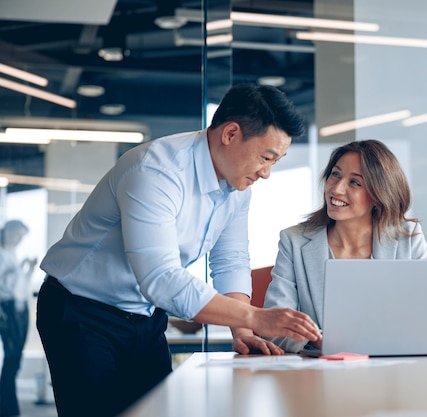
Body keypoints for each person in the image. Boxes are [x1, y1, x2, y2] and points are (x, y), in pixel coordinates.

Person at [36, 83, 322, 417]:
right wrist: (256, 317)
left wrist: (242, 331)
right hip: (82, 311)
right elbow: (161, 278)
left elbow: (230, 259)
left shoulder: (237, 184)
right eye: (266, 157)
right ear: (230, 133)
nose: (267, 173)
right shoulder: (155, 170)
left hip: (144, 315)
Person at [263, 139, 427, 353]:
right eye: (335, 174)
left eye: (355, 183)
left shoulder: (408, 238)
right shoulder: (294, 241)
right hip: (321, 375)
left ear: (378, 195)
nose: (336, 189)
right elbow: (273, 326)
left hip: (395, 376)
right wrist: (318, 340)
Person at [0, 220, 37, 417]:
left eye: (21, 237)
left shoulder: (11, 254)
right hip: (8, 309)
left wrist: (28, 269)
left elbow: (20, 285)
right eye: (17, 235)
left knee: (15, 357)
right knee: (12, 356)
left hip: (19, 308)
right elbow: (7, 286)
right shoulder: (2, 254)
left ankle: (7, 405)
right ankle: (7, 407)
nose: (19, 239)